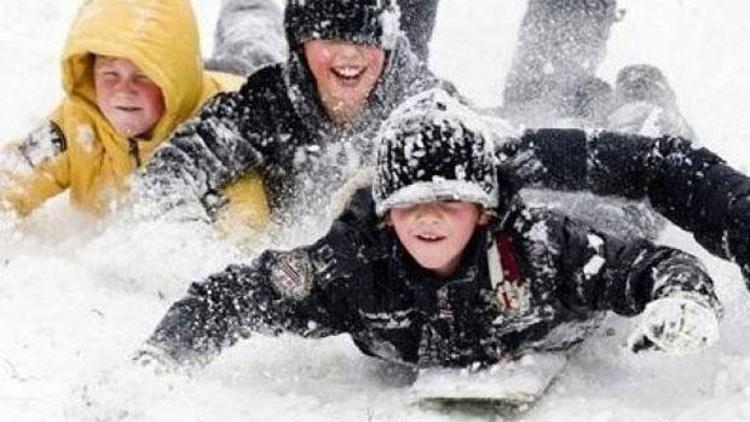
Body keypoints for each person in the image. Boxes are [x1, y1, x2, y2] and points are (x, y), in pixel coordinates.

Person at [136, 90, 721, 377]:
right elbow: (235, 296)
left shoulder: (545, 248)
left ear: (483, 210)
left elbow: (651, 266)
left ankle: (641, 92)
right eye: (411, 206)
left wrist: (685, 299)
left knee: (641, 141)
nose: (431, 218)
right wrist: (164, 357)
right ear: (385, 214)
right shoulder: (349, 268)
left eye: (450, 202)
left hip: (596, 212)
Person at [134, 0, 452, 230]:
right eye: (331, 38)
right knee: (249, 40)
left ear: (387, 44)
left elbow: (493, 160)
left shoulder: (428, 110)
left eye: (367, 38)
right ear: (302, 43)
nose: (349, 54)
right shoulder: (272, 101)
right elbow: (172, 170)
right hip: (239, 69)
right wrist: (196, 253)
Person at [0, 0, 269, 232]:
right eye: (110, 75)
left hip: (246, 78)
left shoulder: (219, 127)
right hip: (184, 77)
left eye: (142, 76)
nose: (124, 90)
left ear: (170, 80)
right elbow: (16, 174)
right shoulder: (79, 120)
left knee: (252, 36)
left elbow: (242, 231)